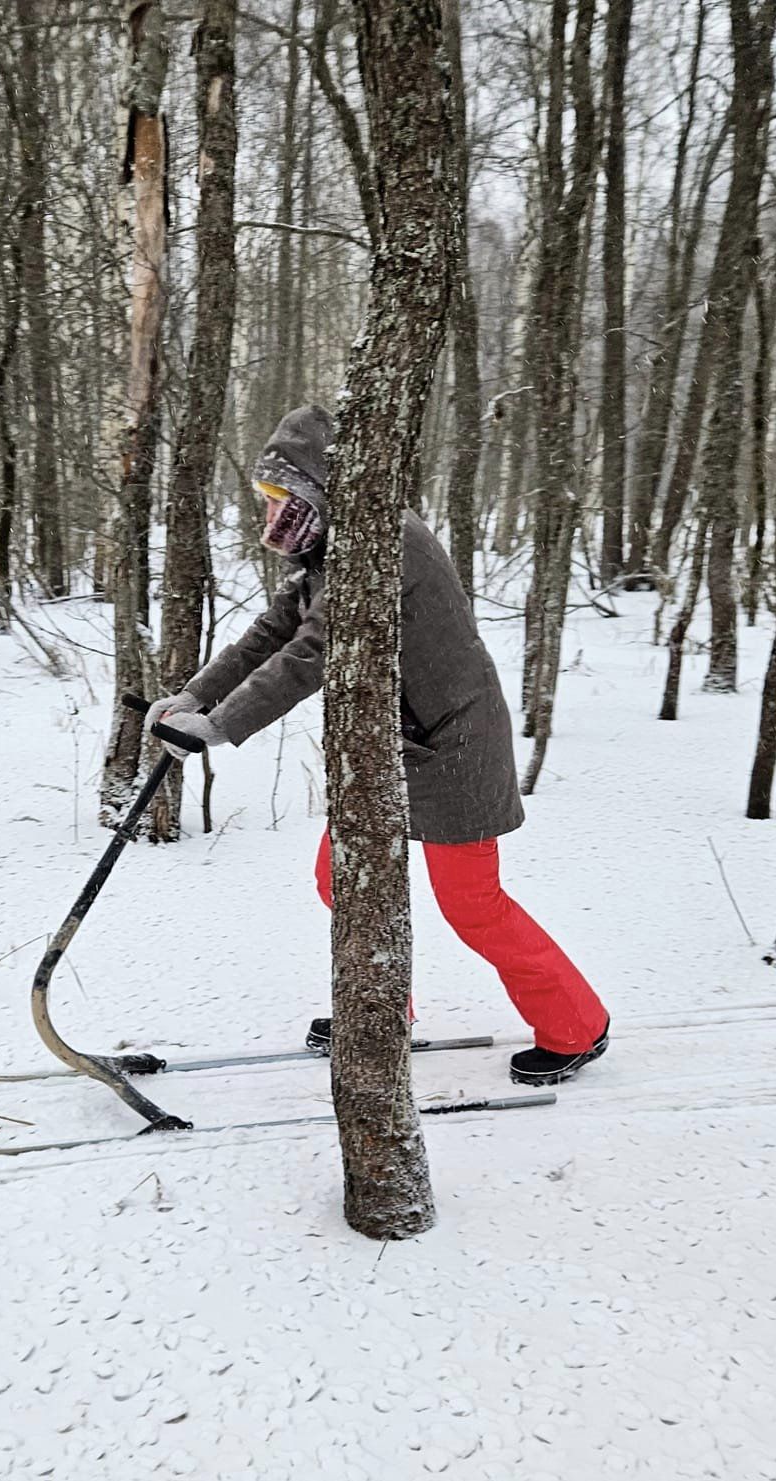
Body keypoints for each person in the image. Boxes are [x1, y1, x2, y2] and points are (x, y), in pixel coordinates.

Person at [149, 406, 611, 1087]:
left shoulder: (381, 544)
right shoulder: (333, 543)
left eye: (280, 497)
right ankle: (379, 1008)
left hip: (454, 745)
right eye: (266, 499)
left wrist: (219, 726)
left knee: (474, 905)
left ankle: (578, 1025)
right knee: (341, 878)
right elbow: (273, 630)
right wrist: (194, 696)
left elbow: (312, 652)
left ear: (315, 488)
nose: (272, 511)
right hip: (388, 749)